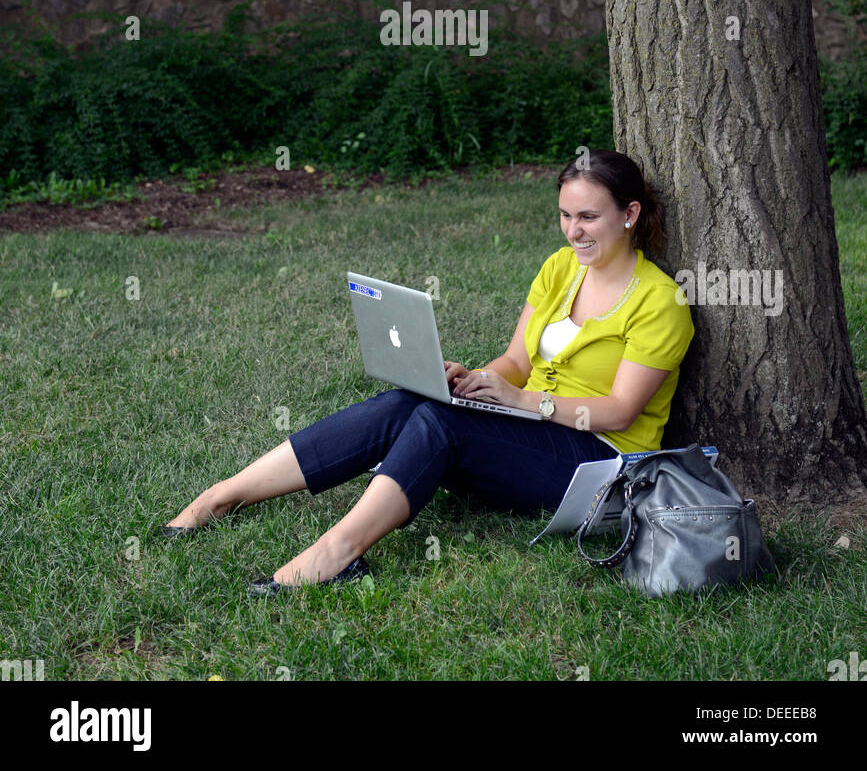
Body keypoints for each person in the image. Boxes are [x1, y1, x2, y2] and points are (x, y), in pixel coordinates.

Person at [156, 149, 695, 594]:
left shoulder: (659, 300)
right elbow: (517, 362)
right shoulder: (561, 270)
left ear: (628, 215)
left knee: (441, 425)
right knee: (405, 404)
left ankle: (336, 554)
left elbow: (622, 408)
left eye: (588, 218)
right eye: (565, 215)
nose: (573, 231)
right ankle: (222, 495)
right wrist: (476, 381)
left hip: (601, 463)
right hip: (532, 428)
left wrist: (523, 401)